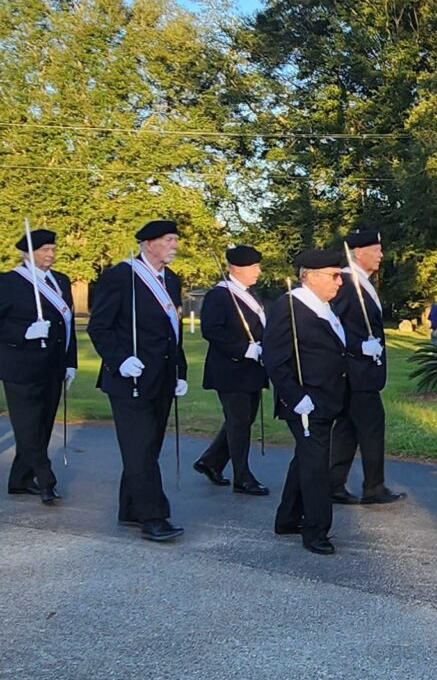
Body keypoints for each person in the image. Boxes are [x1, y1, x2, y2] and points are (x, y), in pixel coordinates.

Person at [89, 219, 190, 543]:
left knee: (146, 449)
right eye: (169, 240)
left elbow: (172, 333)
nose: (174, 245)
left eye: (175, 239)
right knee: (141, 449)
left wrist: (180, 372)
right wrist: (120, 360)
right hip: (128, 379)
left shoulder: (171, 280)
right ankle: (153, 516)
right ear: (148, 244)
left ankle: (130, 508)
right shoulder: (121, 277)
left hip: (161, 379)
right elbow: (99, 327)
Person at [262, 244, 353, 554]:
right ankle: (315, 530)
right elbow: (274, 358)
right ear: (311, 276)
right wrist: (295, 396)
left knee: (306, 459)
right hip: (304, 401)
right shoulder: (288, 307)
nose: (340, 281)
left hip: (327, 398)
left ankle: (287, 518)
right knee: (316, 466)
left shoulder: (325, 307)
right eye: (334, 276)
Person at [0, 228, 77, 504]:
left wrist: (71, 363)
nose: (50, 254)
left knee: (43, 425)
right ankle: (46, 479)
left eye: (52, 249)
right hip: (20, 366)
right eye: (44, 250)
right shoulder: (10, 282)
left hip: (53, 365)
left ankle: (20, 480)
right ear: (27, 253)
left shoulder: (61, 281)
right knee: (28, 426)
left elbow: (68, 326)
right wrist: (25, 332)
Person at [329, 226, 402, 505]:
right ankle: (373, 487)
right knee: (371, 428)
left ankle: (333, 483)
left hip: (362, 373)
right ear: (359, 253)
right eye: (376, 250)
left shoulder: (363, 283)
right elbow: (335, 327)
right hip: (356, 373)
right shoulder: (348, 285)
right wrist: (359, 346)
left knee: (347, 429)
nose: (381, 255)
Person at [193, 243, 272, 495]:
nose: (258, 271)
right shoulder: (219, 295)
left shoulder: (251, 293)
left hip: (252, 369)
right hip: (230, 369)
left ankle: (210, 462)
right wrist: (244, 349)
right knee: (239, 423)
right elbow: (212, 330)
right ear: (236, 268)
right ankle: (242, 477)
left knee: (241, 420)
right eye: (254, 266)